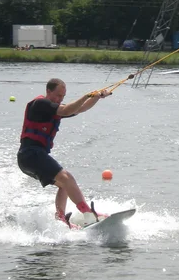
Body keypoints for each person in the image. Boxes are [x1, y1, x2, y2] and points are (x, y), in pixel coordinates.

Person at [17, 78, 110, 229]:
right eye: (58, 95)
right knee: (67, 178)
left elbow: (79, 109)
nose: (60, 99)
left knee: (64, 185)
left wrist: (97, 97)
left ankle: (60, 220)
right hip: (30, 154)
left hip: (30, 158)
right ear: (48, 91)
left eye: (63, 97)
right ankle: (88, 214)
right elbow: (67, 110)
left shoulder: (54, 108)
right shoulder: (40, 104)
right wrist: (87, 95)